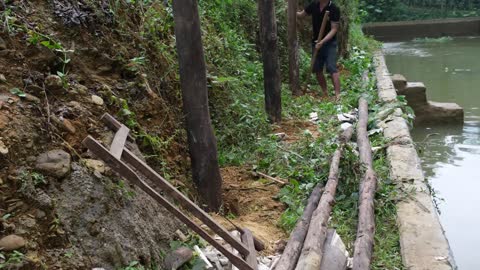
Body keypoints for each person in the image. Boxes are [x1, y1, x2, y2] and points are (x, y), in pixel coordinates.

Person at [297, 0, 341, 99]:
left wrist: (322, 42)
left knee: (331, 66)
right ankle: (325, 93)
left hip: (329, 43)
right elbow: (301, 15)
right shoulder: (314, 5)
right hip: (316, 42)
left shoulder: (334, 8)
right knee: (317, 68)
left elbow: (334, 29)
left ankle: (338, 95)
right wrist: (289, 9)